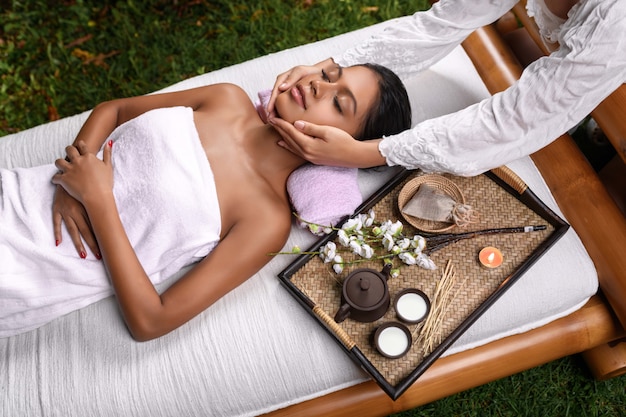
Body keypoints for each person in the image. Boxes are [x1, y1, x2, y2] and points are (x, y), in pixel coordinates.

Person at [0, 60, 411, 340]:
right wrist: (72, 178)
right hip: (16, 191)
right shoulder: (226, 98)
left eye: (338, 103)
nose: (318, 83)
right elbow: (116, 109)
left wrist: (97, 201)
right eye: (329, 72)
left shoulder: (264, 220)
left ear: (346, 150)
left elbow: (150, 320)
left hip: (26, 266)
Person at [266, 0, 626, 176]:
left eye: (342, 104)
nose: (316, 88)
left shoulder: (615, 20)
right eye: (330, 85)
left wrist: (367, 153)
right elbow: (443, 22)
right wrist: (336, 69)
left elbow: (517, 119)